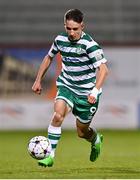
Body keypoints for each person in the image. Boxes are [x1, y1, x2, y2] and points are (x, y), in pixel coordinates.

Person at [32, 9, 109, 167]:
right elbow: (49, 57)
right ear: (64, 26)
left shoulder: (90, 45)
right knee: (58, 116)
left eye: (75, 29)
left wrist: (95, 91)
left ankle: (95, 139)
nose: (71, 32)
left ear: (82, 26)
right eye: (68, 28)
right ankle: (50, 156)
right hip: (66, 85)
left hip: (87, 94)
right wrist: (38, 79)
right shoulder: (60, 39)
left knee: (82, 132)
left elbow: (104, 70)